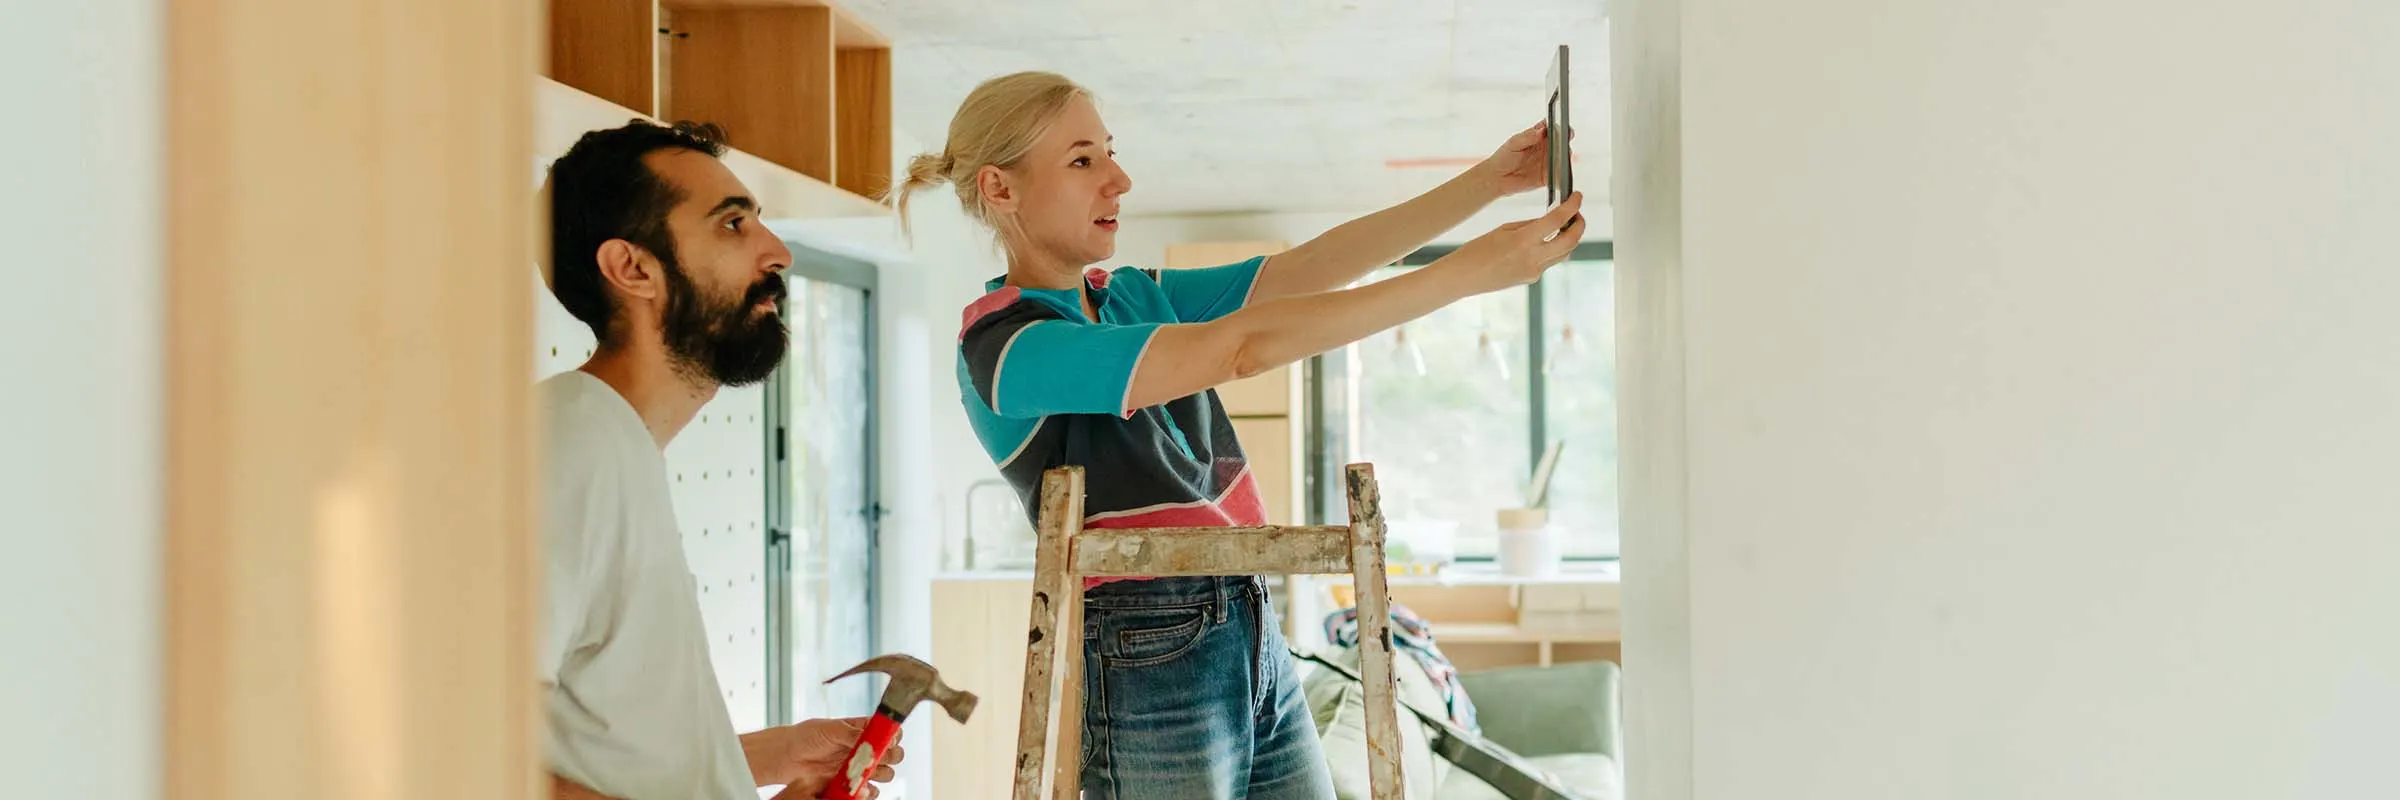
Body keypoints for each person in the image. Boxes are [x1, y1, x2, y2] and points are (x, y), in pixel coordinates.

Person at [888, 72, 1586, 798]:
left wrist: (1486, 183)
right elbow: (1238, 348)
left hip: (1249, 620)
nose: (1119, 179)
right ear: (1001, 190)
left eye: (1110, 153)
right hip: (1147, 646)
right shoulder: (1008, 347)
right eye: (1083, 160)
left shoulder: (1128, 295)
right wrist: (1466, 275)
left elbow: (1306, 271)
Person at [538, 120, 902, 800]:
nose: (779, 252)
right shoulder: (567, 447)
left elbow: (597, 738)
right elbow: (460, 752)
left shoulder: (614, 445)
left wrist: (763, 758)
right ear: (633, 269)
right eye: (732, 225)